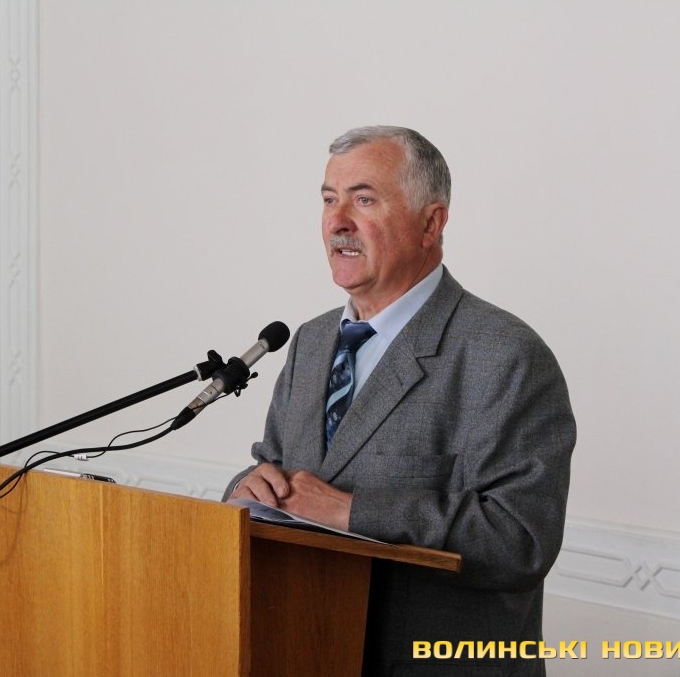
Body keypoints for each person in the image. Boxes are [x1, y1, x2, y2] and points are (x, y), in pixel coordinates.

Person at [225, 126, 575, 676]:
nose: (337, 221)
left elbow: (520, 542)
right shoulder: (312, 341)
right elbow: (274, 469)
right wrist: (248, 487)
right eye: (329, 200)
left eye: (364, 199)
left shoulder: (505, 354)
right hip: (305, 653)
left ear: (431, 224)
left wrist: (352, 511)